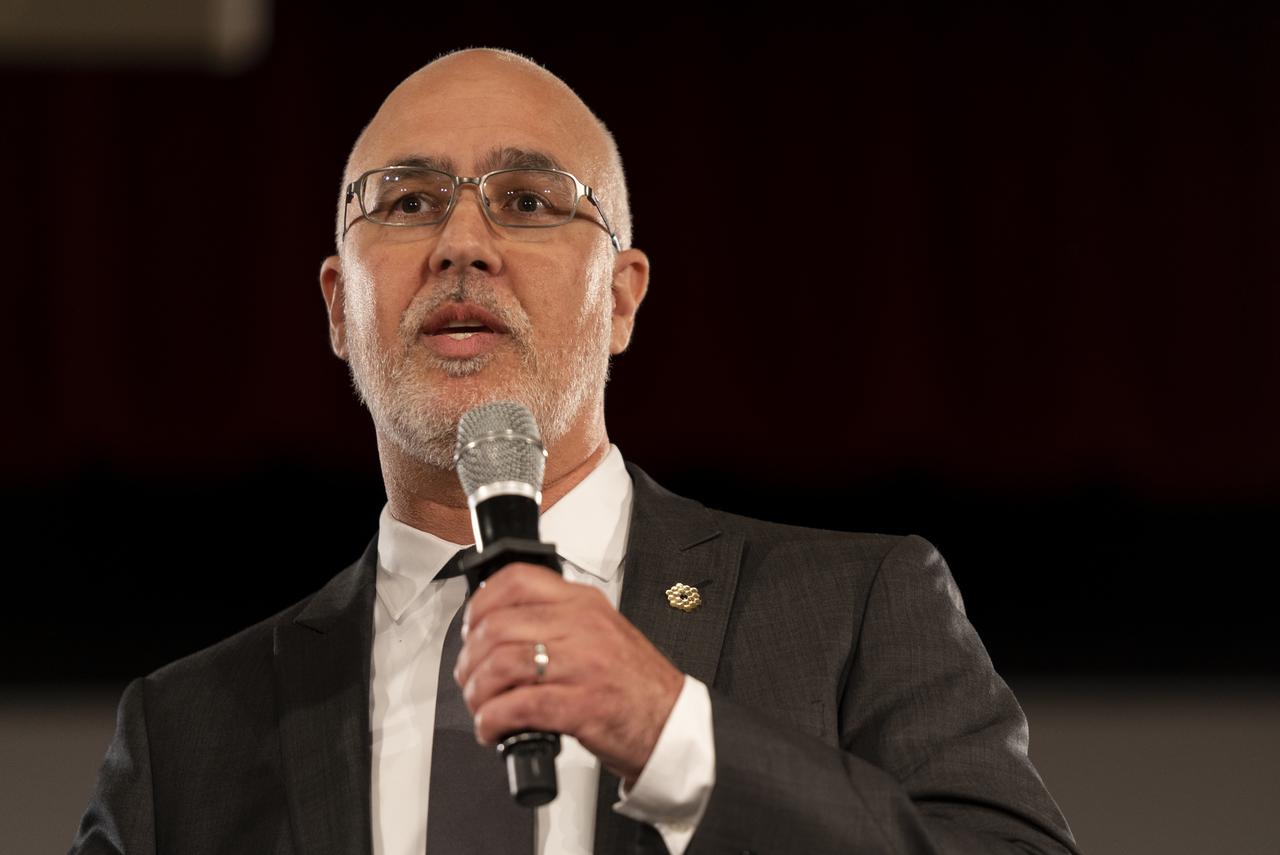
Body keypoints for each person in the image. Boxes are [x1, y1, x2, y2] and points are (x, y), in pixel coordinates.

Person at [71, 47, 1080, 855]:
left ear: (622, 298)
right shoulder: (186, 732)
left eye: (526, 201)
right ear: (340, 306)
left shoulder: (851, 611)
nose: (462, 242)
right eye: (409, 201)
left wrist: (669, 732)